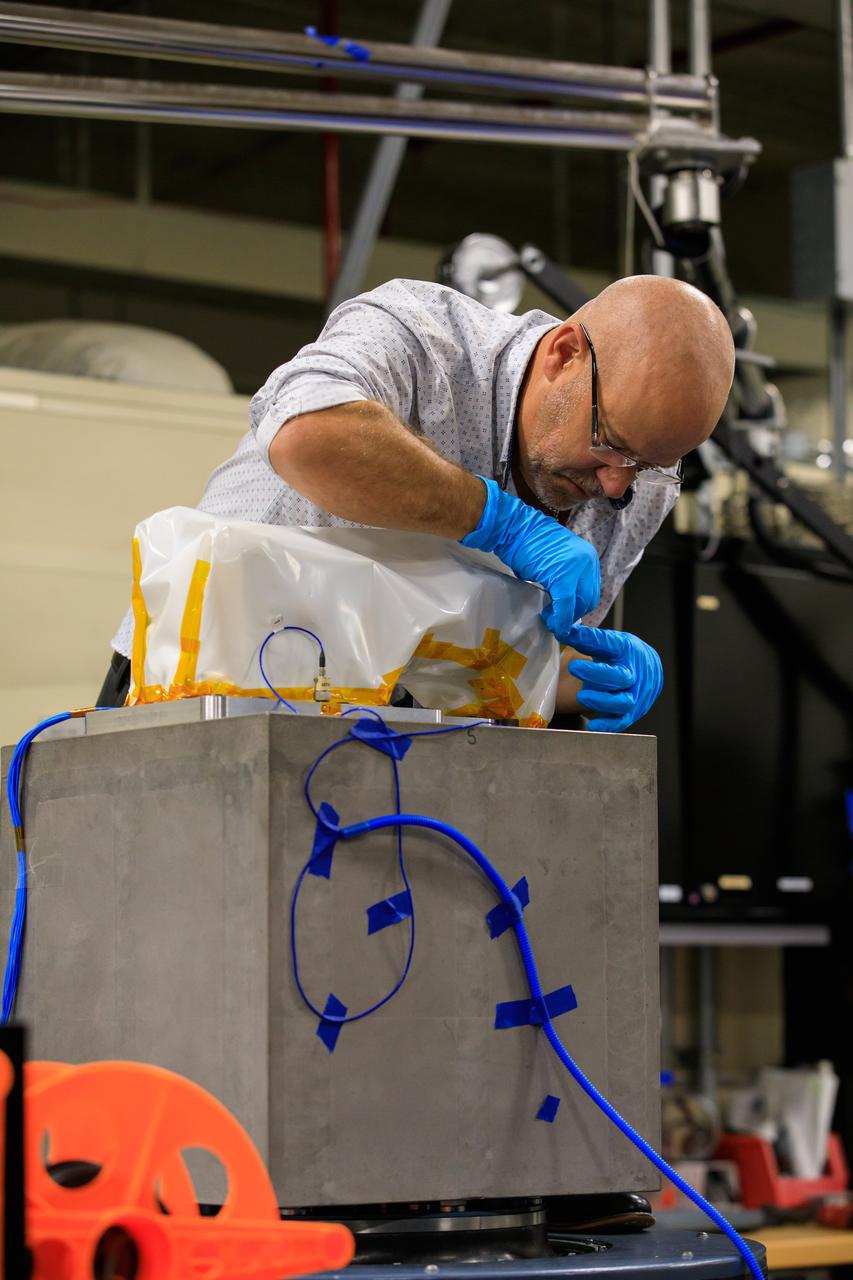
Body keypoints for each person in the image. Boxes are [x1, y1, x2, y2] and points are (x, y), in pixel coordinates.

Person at [101, 274, 734, 727]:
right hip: (210, 682)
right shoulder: (420, 336)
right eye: (610, 444)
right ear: (564, 355)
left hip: (401, 727)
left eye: (649, 465)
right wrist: (499, 521)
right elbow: (306, 433)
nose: (617, 486)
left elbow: (520, 656)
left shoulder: (638, 481)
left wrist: (589, 677)